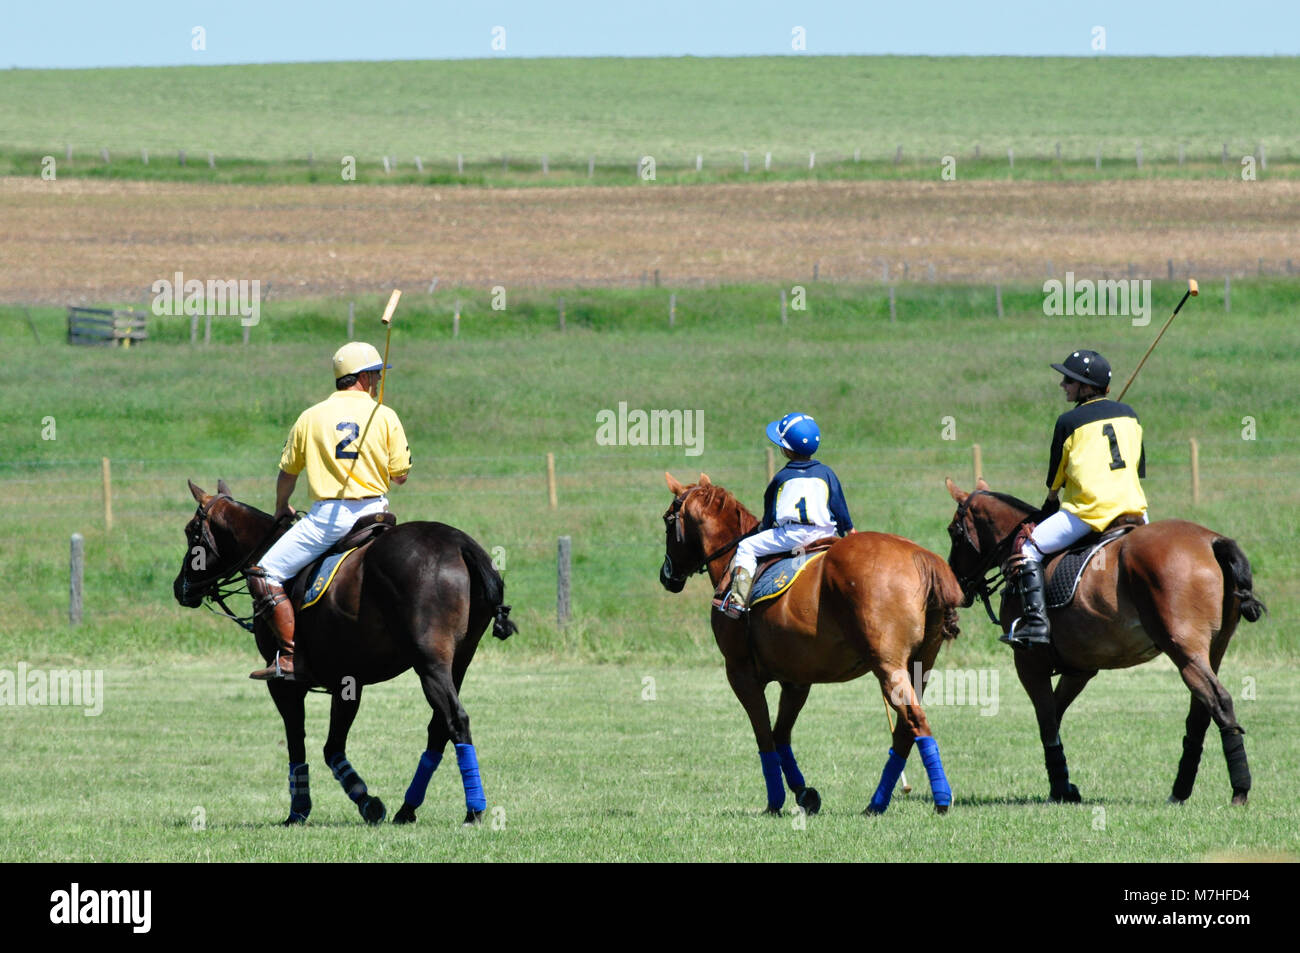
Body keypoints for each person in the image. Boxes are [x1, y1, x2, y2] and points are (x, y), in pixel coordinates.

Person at [245, 341, 412, 679]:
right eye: (376, 375)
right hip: (378, 513)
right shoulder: (385, 414)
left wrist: (281, 507)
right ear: (362, 377)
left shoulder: (311, 416)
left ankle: (290, 657)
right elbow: (401, 476)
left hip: (331, 519)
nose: (378, 381)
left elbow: (287, 473)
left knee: (264, 574)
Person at [1004, 349, 1148, 646]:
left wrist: (1051, 499)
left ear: (1085, 386)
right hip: (1136, 510)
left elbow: (1056, 476)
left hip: (1090, 512)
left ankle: (1036, 626)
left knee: (1029, 547)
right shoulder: (1130, 415)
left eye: (1068, 380)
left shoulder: (1069, 422)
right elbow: (1138, 467)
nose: (1063, 385)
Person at [718, 412, 854, 619]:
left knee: (746, 547)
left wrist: (764, 529)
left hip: (792, 535)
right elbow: (839, 507)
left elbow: (770, 517)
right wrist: (849, 530)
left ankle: (737, 601)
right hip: (826, 533)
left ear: (786, 450)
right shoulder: (827, 473)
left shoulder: (782, 477)